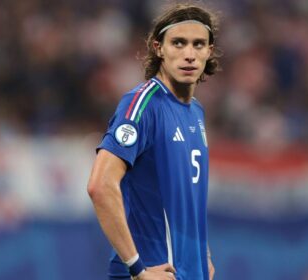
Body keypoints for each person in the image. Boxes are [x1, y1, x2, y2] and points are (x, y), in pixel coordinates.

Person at [87, 3, 220, 280]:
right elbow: (100, 186)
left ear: (209, 52)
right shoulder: (142, 104)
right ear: (158, 48)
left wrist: (201, 253)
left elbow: (186, 195)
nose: (189, 55)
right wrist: (137, 269)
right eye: (178, 43)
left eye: (198, 45)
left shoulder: (195, 111)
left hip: (187, 271)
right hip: (155, 272)